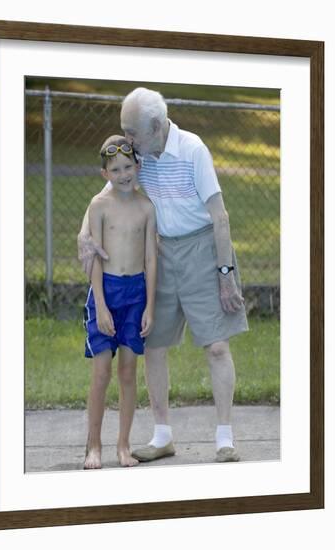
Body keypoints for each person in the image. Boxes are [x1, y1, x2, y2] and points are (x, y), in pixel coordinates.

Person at [78, 87, 248, 463]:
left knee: (217, 345)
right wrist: (82, 234)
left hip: (203, 249)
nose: (127, 139)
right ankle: (162, 436)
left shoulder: (192, 150)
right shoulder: (139, 152)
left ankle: (224, 437)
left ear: (155, 126)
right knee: (152, 344)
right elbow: (105, 192)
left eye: (132, 132)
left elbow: (220, 217)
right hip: (159, 254)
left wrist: (225, 273)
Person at [82, 135, 157, 469]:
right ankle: (92, 447)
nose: (124, 174)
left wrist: (150, 307)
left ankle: (123, 445)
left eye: (128, 167)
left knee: (128, 373)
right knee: (102, 373)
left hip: (136, 294)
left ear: (137, 166)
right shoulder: (99, 207)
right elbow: (95, 257)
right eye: (116, 169)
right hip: (106, 291)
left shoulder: (146, 208)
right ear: (105, 174)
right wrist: (99, 303)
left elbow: (151, 261)